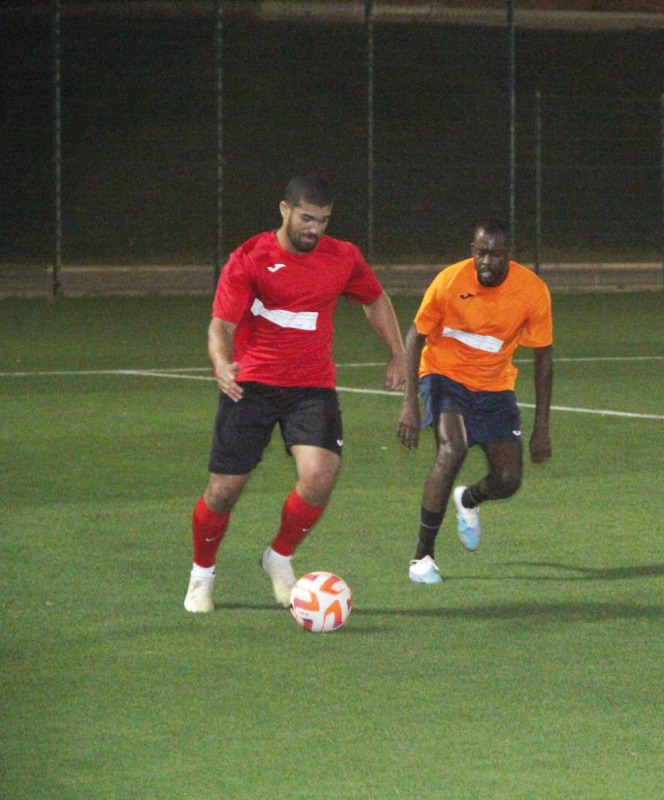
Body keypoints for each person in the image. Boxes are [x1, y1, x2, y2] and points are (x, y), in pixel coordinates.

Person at [183, 173, 406, 613]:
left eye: (323, 220)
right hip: (251, 384)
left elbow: (374, 298)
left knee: (321, 476)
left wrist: (398, 353)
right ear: (284, 210)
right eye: (306, 218)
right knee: (223, 491)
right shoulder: (249, 258)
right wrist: (221, 363)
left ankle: (278, 558)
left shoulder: (341, 257)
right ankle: (202, 573)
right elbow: (221, 325)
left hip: (311, 385)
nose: (314, 229)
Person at [396, 220, 554, 584]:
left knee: (509, 478)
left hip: (495, 386)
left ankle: (467, 500)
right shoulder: (449, 281)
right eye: (481, 252)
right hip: (443, 375)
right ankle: (422, 557)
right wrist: (410, 402)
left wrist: (542, 427)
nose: (486, 261)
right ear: (473, 250)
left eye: (495, 254)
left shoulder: (532, 291)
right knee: (453, 450)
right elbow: (415, 335)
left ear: (508, 256)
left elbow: (544, 358)